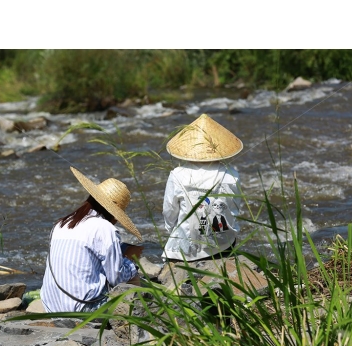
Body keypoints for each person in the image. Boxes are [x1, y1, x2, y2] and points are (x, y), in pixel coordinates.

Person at [41, 166, 143, 313]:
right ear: (114, 213)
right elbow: (117, 279)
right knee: (132, 279)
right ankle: (135, 324)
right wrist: (131, 262)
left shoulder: (62, 223)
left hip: (51, 307)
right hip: (82, 309)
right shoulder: (104, 228)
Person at [162, 113, 243, 261]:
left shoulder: (177, 175)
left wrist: (171, 230)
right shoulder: (231, 174)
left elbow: (169, 212)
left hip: (185, 250)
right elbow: (233, 210)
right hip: (222, 245)